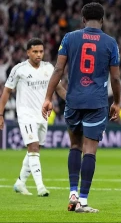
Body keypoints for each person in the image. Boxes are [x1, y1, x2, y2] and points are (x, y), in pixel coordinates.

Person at [42, 2, 121, 213]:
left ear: (83, 19)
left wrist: (48, 98)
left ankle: (72, 193)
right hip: (96, 102)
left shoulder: (70, 38)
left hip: (73, 100)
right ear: (102, 20)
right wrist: (117, 102)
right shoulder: (110, 42)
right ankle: (83, 202)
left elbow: (59, 68)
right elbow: (115, 77)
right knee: (90, 150)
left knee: (74, 146)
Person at [0, 38, 66, 197]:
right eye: (35, 51)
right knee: (33, 147)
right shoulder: (19, 69)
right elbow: (7, 91)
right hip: (26, 114)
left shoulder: (49, 68)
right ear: (28, 52)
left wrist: (72, 101)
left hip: (43, 115)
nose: (38, 55)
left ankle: (20, 182)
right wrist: (0, 114)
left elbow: (59, 88)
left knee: (35, 150)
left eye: (41, 51)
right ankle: (40, 186)